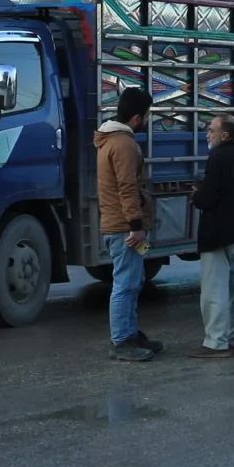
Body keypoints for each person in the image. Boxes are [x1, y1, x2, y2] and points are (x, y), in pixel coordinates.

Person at [94, 87, 162, 361]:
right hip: (125, 227)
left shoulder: (110, 139)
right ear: (136, 118)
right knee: (125, 283)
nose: (147, 120)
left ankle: (130, 334)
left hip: (120, 223)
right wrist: (136, 225)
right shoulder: (123, 144)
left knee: (134, 280)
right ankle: (122, 340)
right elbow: (127, 187)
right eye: (146, 115)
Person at [189, 115, 234, 359]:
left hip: (217, 233)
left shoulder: (218, 157)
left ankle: (215, 342)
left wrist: (197, 195)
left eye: (211, 130)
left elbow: (210, 197)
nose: (207, 134)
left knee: (214, 289)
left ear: (224, 135)